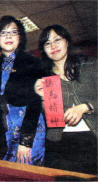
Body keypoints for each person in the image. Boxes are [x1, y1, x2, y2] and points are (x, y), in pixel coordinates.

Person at [35, 24, 97, 174]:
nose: (53, 46)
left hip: (93, 138)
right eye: (47, 43)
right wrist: (42, 98)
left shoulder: (91, 65)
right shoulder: (47, 79)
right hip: (60, 143)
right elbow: (53, 118)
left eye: (57, 40)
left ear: (67, 41)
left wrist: (85, 107)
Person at [0, 15, 46, 165]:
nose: (8, 36)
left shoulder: (33, 62)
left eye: (13, 32)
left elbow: (36, 102)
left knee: (27, 171)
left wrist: (26, 140)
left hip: (28, 127)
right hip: (4, 129)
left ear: (20, 37)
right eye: (3, 32)